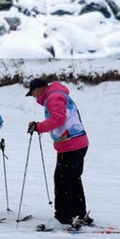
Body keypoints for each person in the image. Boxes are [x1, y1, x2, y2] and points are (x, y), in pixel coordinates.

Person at [26, 77, 92, 227]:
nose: (34, 97)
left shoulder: (53, 97)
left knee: (62, 181)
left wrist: (39, 127)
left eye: (33, 93)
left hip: (70, 145)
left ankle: (62, 217)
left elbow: (58, 119)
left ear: (38, 89)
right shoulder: (58, 94)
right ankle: (78, 213)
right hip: (78, 142)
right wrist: (39, 126)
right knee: (73, 179)